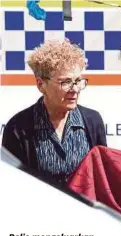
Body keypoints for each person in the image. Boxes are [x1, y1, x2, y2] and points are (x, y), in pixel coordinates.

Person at [1, 39, 107, 186]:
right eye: (66, 82)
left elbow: (103, 178)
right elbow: (12, 184)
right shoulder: (18, 128)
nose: (75, 89)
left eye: (77, 81)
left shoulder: (92, 121)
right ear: (41, 85)